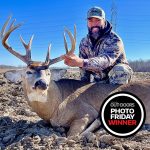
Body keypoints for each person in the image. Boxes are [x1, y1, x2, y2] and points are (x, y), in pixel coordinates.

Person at [63, 6, 133, 84]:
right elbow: (83, 69)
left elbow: (106, 60)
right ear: (87, 22)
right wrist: (82, 85)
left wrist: (81, 62)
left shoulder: (114, 39)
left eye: (97, 20)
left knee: (120, 70)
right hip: (99, 79)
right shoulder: (84, 42)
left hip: (117, 77)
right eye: (90, 21)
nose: (94, 24)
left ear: (104, 20)